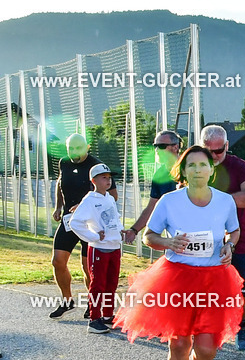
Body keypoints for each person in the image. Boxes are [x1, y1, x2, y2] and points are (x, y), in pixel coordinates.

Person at [114, 146, 242, 360]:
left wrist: (229, 246)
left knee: (206, 349)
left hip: (214, 279)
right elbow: (150, 235)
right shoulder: (169, 201)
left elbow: (234, 231)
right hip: (177, 277)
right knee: (180, 343)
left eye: (202, 164)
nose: (197, 170)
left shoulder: (224, 201)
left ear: (211, 169)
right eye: (191, 165)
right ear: (183, 171)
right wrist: (168, 242)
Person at [201, 125, 245, 351]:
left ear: (226, 146)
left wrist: (219, 201)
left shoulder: (239, 166)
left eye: (219, 151)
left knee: (238, 295)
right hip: (203, 242)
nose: (214, 156)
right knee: (206, 295)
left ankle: (243, 320)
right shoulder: (195, 166)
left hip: (237, 240)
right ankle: (208, 342)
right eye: (209, 151)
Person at [48, 133, 118, 320]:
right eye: (70, 149)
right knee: (57, 261)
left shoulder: (98, 167)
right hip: (70, 221)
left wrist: (85, 205)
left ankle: (92, 305)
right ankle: (67, 300)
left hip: (91, 223)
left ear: (87, 147)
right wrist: (58, 206)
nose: (74, 153)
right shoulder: (64, 162)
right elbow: (59, 182)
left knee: (89, 268)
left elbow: (113, 196)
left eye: (78, 148)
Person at [68, 163, 124, 334]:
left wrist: (122, 231)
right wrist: (93, 236)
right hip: (99, 249)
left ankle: (107, 315)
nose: (108, 181)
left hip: (114, 247)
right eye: (103, 177)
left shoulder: (109, 198)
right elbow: (75, 223)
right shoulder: (89, 200)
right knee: (98, 284)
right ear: (94, 180)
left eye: (109, 177)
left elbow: (114, 218)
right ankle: (94, 319)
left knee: (111, 283)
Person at [124, 131, 181, 244]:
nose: (157, 150)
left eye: (161, 146)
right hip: (174, 238)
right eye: (155, 146)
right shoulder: (159, 175)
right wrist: (134, 230)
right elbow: (152, 207)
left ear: (176, 147)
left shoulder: (189, 169)